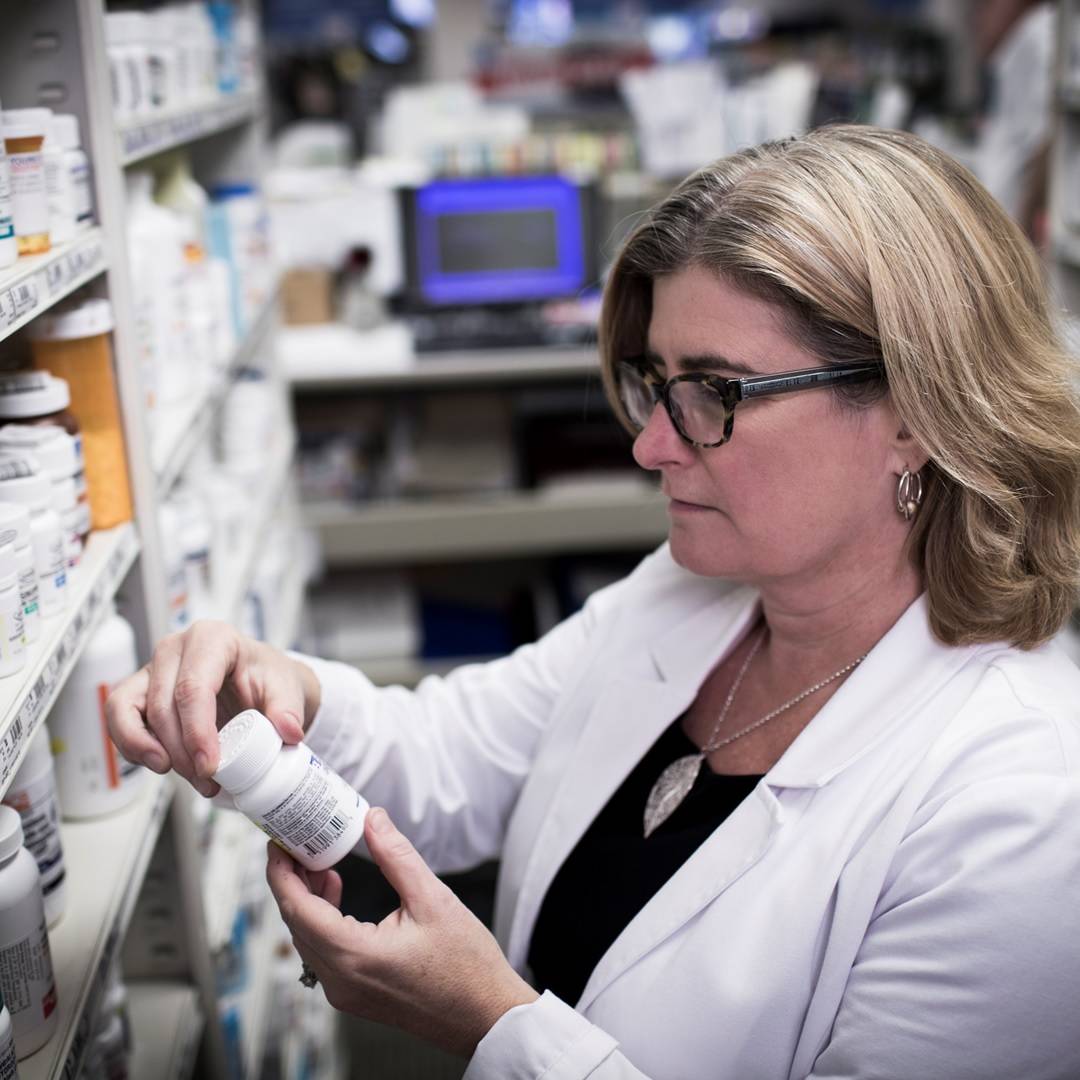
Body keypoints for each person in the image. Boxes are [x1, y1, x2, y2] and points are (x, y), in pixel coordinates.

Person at [108, 124, 1080, 1079]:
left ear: (913, 413)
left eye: (715, 393)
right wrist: (280, 693)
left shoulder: (1022, 805)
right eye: (656, 383)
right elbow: (453, 761)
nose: (651, 445)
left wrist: (496, 1029)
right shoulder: (696, 588)